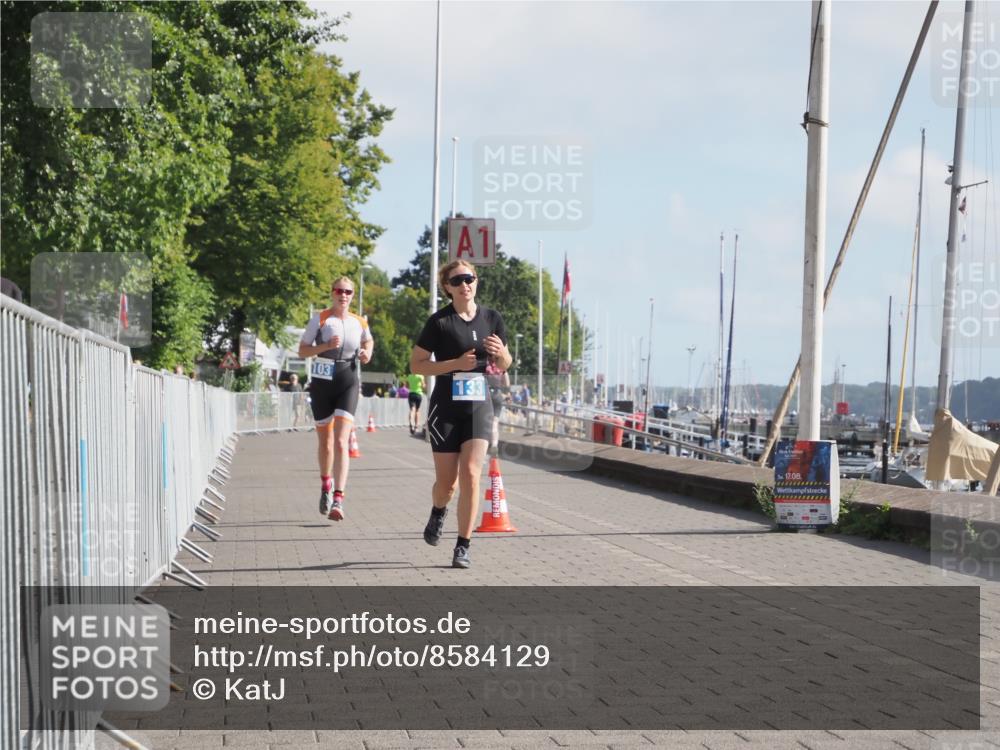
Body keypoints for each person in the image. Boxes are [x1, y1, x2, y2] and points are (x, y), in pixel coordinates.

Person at [409, 260, 512, 569]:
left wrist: (502, 353)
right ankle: (438, 510)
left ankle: (463, 545)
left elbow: (505, 364)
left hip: (479, 404)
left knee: (471, 473)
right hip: (445, 408)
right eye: (459, 280)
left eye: (470, 278)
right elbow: (417, 365)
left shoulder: (492, 319)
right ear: (448, 288)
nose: (466, 283)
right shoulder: (439, 322)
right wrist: (455, 364)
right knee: (447, 484)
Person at [298, 277, 373, 521]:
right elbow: (303, 350)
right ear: (332, 293)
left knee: (342, 442)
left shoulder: (359, 321)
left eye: (348, 292)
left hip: (347, 380)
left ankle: (339, 498)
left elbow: (368, 340)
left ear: (352, 295)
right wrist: (325, 346)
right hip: (322, 382)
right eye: (339, 291)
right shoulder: (320, 319)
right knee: (326, 443)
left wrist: (366, 353)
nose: (343, 295)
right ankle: (325, 484)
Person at [485, 362, 510, 453]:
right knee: (494, 424)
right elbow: (506, 382)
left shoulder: (485, 365)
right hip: (497, 394)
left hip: (486, 394)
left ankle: (483, 447)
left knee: (482, 423)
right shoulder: (501, 366)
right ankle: (494, 445)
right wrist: (506, 393)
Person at [406, 371, 425, 435]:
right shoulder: (420, 376)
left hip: (411, 394)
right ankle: (416, 426)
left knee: (411, 410)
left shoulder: (409, 376)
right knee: (417, 410)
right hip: (418, 394)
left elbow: (407, 386)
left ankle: (411, 423)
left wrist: (412, 387)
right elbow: (423, 386)